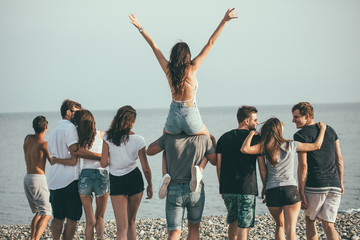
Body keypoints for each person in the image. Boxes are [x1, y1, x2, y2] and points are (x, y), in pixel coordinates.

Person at [129, 9, 238, 185]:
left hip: (173, 117)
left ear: (173, 55)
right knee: (208, 139)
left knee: (165, 143)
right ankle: (199, 170)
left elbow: (154, 46)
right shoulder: (193, 67)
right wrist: (224, 21)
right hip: (191, 115)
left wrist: (140, 27)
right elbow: (210, 43)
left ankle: (166, 173)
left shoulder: (168, 69)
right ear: (187, 55)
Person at [241, 118, 327, 240]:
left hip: (272, 191)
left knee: (279, 225)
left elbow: (245, 149)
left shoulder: (264, 147)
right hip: (290, 190)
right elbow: (316, 146)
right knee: (291, 229)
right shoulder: (291, 145)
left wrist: (251, 134)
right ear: (279, 130)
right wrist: (322, 130)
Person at [48, 99, 101, 240]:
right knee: (72, 218)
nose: (79, 116)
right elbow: (76, 151)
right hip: (69, 180)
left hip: (54, 180)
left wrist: (58, 160)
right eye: (77, 112)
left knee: (58, 217)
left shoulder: (54, 131)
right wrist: (100, 157)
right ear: (68, 112)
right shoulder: (70, 128)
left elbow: (54, 155)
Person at [146, 133, 216, 240]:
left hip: (174, 188)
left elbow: (149, 151)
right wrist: (213, 143)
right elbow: (215, 161)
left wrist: (164, 136)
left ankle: (165, 174)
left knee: (174, 231)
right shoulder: (204, 138)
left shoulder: (169, 137)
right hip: (195, 189)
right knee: (193, 228)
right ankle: (199, 170)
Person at [292, 102, 344, 240]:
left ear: (307, 116)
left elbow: (303, 166)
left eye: (296, 117)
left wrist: (301, 191)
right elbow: (339, 158)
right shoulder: (330, 130)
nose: (293, 120)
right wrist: (341, 182)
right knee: (328, 224)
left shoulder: (300, 135)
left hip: (316, 184)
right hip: (335, 184)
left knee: (310, 220)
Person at [100, 105, 153, 240]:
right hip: (134, 179)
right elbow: (145, 168)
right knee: (131, 222)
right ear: (132, 122)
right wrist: (150, 185)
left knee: (121, 227)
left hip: (116, 180)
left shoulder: (107, 137)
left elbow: (103, 163)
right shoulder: (139, 140)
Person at [216, 105, 264, 240]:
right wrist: (265, 186)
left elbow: (218, 167)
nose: (257, 122)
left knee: (232, 221)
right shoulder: (255, 138)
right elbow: (262, 167)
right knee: (244, 224)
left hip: (228, 188)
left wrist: (222, 188)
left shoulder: (223, 138)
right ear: (246, 121)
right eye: (255, 119)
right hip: (246, 188)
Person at [23, 116, 52, 240]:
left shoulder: (27, 139)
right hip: (38, 179)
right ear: (46, 127)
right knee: (47, 213)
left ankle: (32, 238)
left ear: (33, 127)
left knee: (39, 212)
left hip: (27, 178)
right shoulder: (44, 145)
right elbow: (53, 161)